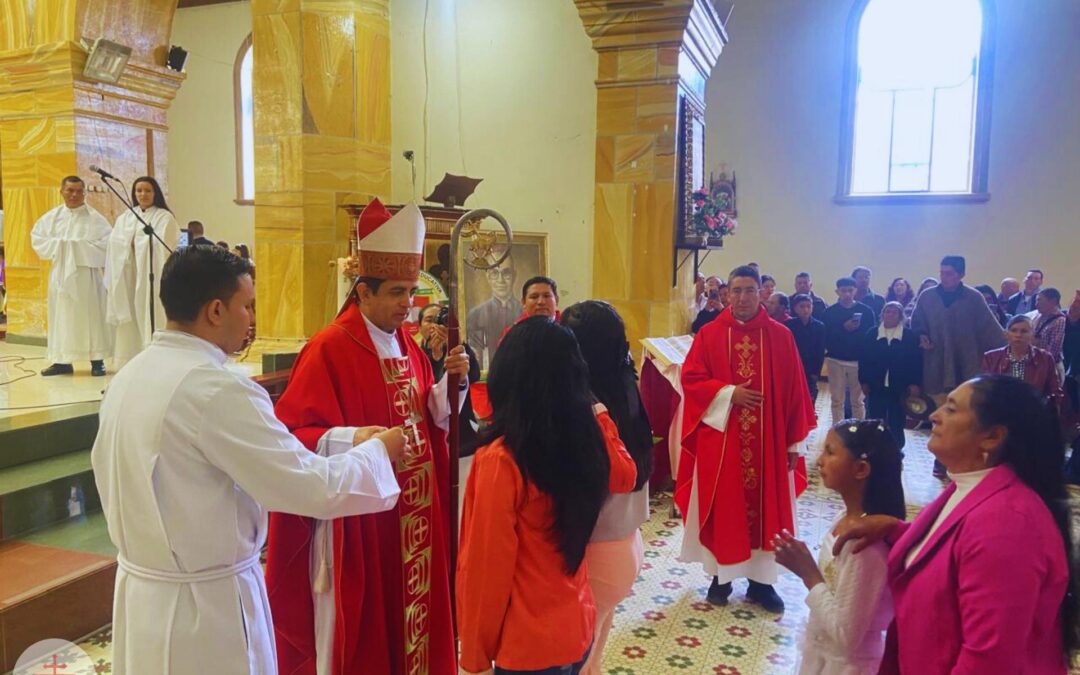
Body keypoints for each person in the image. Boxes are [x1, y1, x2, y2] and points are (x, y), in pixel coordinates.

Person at [91, 245, 408, 674]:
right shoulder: (215, 390)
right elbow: (312, 488)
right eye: (248, 305)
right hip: (208, 610)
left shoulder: (131, 374)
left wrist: (346, 439)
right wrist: (377, 454)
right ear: (216, 310)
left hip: (145, 596)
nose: (253, 319)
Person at [266, 200, 469, 675]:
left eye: (411, 291)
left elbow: (423, 417)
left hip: (411, 516)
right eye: (397, 292)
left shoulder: (405, 343)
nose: (407, 303)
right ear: (363, 291)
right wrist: (358, 439)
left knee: (412, 623)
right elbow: (293, 435)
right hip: (362, 523)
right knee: (370, 632)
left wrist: (447, 391)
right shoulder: (330, 348)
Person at [834, 376, 1076, 674]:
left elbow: (988, 661)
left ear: (992, 436)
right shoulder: (969, 488)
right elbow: (958, 553)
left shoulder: (1009, 523)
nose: (933, 415)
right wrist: (898, 530)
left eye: (950, 410)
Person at [456, 317, 638, 675]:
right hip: (577, 620)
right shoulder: (586, 440)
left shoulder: (502, 459)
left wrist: (474, 656)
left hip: (527, 642)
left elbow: (486, 568)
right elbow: (623, 477)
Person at [676, 265, 816, 613]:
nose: (742, 297)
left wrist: (793, 446)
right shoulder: (709, 334)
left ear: (761, 293)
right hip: (723, 443)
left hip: (768, 445)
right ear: (727, 294)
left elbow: (796, 394)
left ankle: (761, 584)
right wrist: (727, 394)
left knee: (768, 509)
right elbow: (691, 380)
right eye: (736, 290)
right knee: (724, 506)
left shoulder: (781, 337)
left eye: (749, 290)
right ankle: (720, 577)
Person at [561, 301, 654, 675]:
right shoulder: (624, 382)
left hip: (597, 546)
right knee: (593, 650)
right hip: (625, 541)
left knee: (574, 655)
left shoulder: (587, 403)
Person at [773, 419, 905, 675]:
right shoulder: (848, 520)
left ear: (861, 469)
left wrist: (809, 574)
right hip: (824, 655)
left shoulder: (863, 544)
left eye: (830, 452)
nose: (819, 460)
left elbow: (846, 635)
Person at [911, 256, 1004, 477]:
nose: (944, 277)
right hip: (936, 362)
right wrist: (921, 335)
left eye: (949, 273)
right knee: (941, 413)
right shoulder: (928, 296)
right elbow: (916, 322)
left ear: (961, 274)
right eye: (942, 272)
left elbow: (991, 331)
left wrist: (1009, 348)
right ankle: (940, 458)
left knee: (964, 415)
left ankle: (962, 458)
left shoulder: (973, 298)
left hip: (967, 365)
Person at [31, 176, 112, 376]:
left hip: (88, 276)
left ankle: (97, 360)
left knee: (92, 317)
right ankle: (62, 361)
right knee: (62, 316)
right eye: (70, 190)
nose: (74, 195)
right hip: (61, 275)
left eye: (78, 191)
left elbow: (107, 244)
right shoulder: (52, 217)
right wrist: (63, 247)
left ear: (84, 193)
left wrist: (75, 247)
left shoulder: (95, 219)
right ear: (62, 191)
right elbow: (38, 239)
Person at [105, 176, 180, 367]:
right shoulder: (126, 217)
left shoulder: (164, 216)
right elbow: (114, 242)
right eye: (139, 191)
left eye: (147, 190)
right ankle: (129, 363)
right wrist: (127, 243)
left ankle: (156, 361)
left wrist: (137, 240)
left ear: (155, 193)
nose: (142, 194)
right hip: (130, 274)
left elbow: (163, 243)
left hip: (151, 275)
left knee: (151, 312)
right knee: (130, 317)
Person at [859, 302, 922, 452]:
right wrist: (864, 381)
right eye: (887, 311)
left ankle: (896, 449)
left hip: (899, 385)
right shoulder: (872, 333)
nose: (890, 315)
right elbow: (864, 359)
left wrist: (914, 383)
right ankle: (873, 447)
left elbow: (916, 360)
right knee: (875, 417)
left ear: (900, 316)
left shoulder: (908, 336)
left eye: (894, 312)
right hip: (876, 384)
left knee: (897, 419)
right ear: (882, 314)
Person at [823, 277, 876, 423]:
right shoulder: (829, 312)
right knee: (837, 400)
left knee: (858, 401)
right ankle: (838, 431)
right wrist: (843, 328)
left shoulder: (866, 311)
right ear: (837, 292)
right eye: (843, 290)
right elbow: (826, 337)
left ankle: (859, 432)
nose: (847, 294)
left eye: (850, 290)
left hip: (858, 361)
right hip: (835, 360)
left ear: (856, 291)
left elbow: (871, 336)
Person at [982, 315, 1063, 407]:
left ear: (1033, 334)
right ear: (1006, 334)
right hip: (1001, 412)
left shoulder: (1045, 358)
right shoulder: (991, 357)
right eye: (1013, 330)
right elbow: (986, 391)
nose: (1018, 335)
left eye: (1024, 331)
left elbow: (1055, 393)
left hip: (1034, 412)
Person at [466, 248, 518, 369]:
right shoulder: (475, 314)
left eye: (506, 273)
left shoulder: (525, 312)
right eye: (495, 273)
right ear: (488, 277)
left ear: (514, 276)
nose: (500, 280)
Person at [787, 294, 826, 402]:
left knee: (809, 397)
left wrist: (816, 372)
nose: (806, 310)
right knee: (792, 397)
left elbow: (820, 351)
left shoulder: (819, 326)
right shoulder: (788, 325)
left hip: (810, 369)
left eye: (808, 306)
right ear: (795, 308)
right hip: (792, 367)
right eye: (802, 306)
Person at [1034, 287, 1067, 366]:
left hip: (1049, 366)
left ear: (1053, 302)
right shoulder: (1039, 316)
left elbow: (1054, 352)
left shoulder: (1060, 321)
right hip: (1037, 363)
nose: (1036, 304)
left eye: (1039, 300)